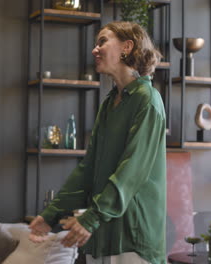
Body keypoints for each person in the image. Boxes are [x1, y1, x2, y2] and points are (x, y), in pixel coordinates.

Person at [29, 21, 166, 264]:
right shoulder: (109, 103)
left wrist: (91, 218)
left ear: (127, 47)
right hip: (102, 235)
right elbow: (88, 168)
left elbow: (132, 170)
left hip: (133, 236)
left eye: (102, 41)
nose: (95, 49)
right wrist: (50, 215)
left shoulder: (148, 100)